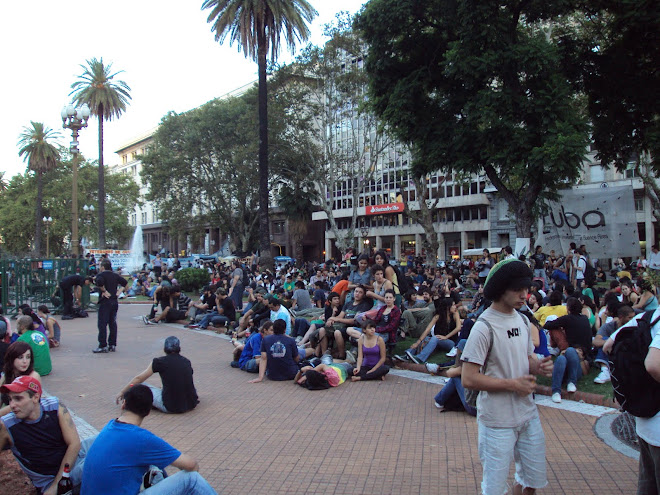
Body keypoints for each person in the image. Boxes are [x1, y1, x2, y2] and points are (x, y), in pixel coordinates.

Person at [461, 259, 554, 495]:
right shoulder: (484, 327)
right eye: (518, 289)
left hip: (527, 415)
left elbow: (527, 357)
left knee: (532, 480)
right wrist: (512, 384)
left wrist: (537, 366)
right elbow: (468, 378)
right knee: (494, 487)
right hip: (497, 422)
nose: (525, 295)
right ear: (501, 289)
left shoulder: (523, 321)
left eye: (527, 289)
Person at [81, 384, 216, 494]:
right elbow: (191, 465)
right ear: (148, 411)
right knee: (191, 479)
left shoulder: (110, 426)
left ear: (124, 404)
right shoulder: (141, 439)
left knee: (156, 466)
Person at [0, 376, 91, 494]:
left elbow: (74, 444)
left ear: (35, 397)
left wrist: (57, 484)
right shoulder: (7, 426)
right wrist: (55, 486)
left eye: (18, 399)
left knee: (109, 438)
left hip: (70, 464)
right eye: (10, 399)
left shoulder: (55, 406)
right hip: (53, 479)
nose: (12, 405)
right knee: (100, 462)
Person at [603, 310, 660, 494]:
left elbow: (608, 345)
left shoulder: (648, 316)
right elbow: (653, 364)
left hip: (645, 419)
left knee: (647, 485)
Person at [115, 336, 199, 414]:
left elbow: (139, 379)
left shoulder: (159, 362)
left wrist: (123, 392)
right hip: (191, 403)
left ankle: (128, 402)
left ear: (165, 349)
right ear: (179, 348)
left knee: (139, 386)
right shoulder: (186, 361)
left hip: (171, 406)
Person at [544, 298, 592, 402]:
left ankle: (572, 382)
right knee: (561, 359)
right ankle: (556, 391)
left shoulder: (567, 319)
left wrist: (561, 328)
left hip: (579, 362)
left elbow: (547, 325)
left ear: (568, 308)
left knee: (569, 351)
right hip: (572, 358)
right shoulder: (584, 319)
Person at [93, 259, 128, 354]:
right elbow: (125, 283)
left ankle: (102, 345)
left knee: (102, 324)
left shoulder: (101, 275)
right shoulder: (115, 275)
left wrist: (104, 291)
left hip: (105, 302)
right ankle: (112, 344)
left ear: (103, 267)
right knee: (112, 323)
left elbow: (99, 282)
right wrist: (119, 292)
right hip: (114, 301)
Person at [249, 319, 299, 383]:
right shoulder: (291, 340)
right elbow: (296, 358)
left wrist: (260, 377)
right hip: (291, 374)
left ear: (274, 328)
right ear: (285, 329)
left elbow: (263, 358)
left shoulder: (265, 340)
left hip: (272, 375)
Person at [0, 341, 41, 414]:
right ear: (11, 358)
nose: (25, 361)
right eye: (20, 357)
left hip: (25, 416)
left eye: (28, 357)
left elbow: (20, 405)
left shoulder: (33, 376)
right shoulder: (7, 375)